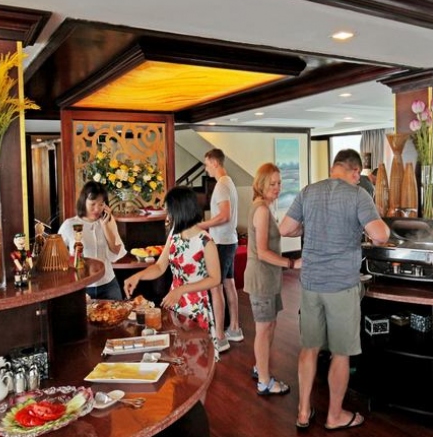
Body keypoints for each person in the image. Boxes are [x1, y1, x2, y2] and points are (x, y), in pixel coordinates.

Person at [280, 149, 390, 430]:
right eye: (358, 176)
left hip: (311, 283)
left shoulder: (309, 191)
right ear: (355, 172)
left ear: (333, 167)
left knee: (309, 348)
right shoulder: (358, 195)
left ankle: (303, 412)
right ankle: (334, 415)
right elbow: (380, 236)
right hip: (341, 285)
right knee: (341, 353)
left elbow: (286, 228)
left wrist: (308, 229)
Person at [124, 187, 221, 346]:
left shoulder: (205, 241)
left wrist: (181, 290)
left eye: (169, 211)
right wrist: (138, 276)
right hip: (174, 302)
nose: (167, 215)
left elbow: (215, 279)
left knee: (196, 353)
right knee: (178, 351)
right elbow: (159, 267)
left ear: (180, 210)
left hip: (195, 307)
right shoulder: (174, 234)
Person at [245, 163, 302, 396]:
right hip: (261, 278)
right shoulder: (261, 210)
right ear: (261, 184)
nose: (278, 187)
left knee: (270, 325)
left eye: (279, 183)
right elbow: (262, 252)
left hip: (269, 277)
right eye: (273, 183)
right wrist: (292, 263)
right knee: (263, 328)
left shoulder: (266, 208)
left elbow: (277, 234)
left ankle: (260, 368)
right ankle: (264, 381)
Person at [197, 148, 242, 353]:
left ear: (214, 163)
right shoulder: (228, 182)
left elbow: (224, 215)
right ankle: (234, 328)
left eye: (207, 164)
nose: (206, 168)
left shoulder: (222, 184)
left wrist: (202, 225)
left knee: (215, 287)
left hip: (222, 242)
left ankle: (220, 337)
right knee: (229, 284)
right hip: (229, 240)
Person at [59, 181, 126, 300]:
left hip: (108, 284)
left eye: (101, 204)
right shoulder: (69, 225)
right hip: (82, 286)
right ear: (84, 201)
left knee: (119, 311)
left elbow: (116, 251)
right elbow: (58, 256)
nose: (97, 209)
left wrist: (105, 226)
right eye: (93, 204)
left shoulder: (108, 222)